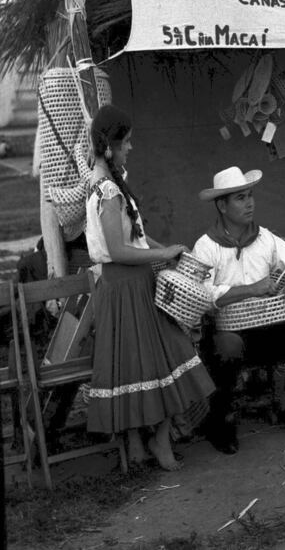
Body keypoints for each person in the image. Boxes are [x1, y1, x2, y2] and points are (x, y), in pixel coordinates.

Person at [85, 104, 214, 471]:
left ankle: (146, 442)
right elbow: (117, 250)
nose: (130, 148)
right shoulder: (108, 191)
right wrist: (163, 255)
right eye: (126, 142)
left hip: (129, 285)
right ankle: (154, 440)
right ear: (110, 145)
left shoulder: (109, 184)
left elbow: (136, 237)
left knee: (146, 362)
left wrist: (164, 249)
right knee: (152, 360)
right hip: (126, 287)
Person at [192, 166, 285, 454]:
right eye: (240, 198)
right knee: (228, 347)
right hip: (228, 333)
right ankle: (222, 417)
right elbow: (202, 295)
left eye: (250, 196)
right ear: (222, 205)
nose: (250, 203)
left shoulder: (265, 238)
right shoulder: (206, 246)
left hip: (270, 328)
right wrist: (250, 289)